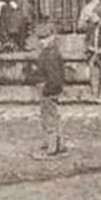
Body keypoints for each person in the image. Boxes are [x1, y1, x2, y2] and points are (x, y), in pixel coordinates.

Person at [27, 22, 65, 158]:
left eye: (44, 38)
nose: (41, 41)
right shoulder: (54, 52)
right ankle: (58, 144)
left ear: (52, 37)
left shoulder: (49, 54)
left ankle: (51, 147)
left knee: (48, 118)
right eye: (40, 38)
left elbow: (53, 76)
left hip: (48, 88)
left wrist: (47, 89)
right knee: (54, 116)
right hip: (52, 88)